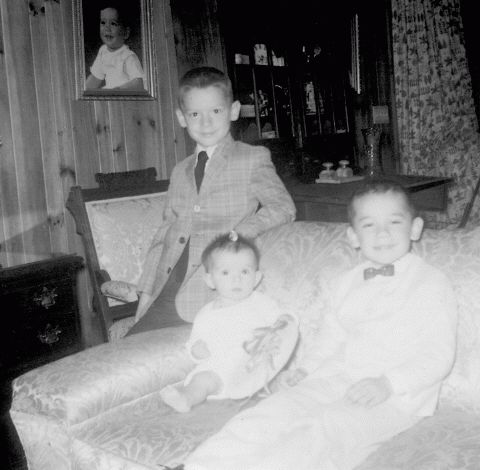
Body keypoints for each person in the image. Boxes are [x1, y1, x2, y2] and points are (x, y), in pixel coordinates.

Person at [183, 179, 458, 470]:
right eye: (369, 225)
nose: (382, 233)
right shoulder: (346, 282)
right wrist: (304, 371)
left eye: (393, 222)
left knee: (324, 430)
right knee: (271, 413)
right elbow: (330, 339)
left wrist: (389, 383)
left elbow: (439, 354)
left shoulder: (430, 282)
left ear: (414, 228)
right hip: (337, 380)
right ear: (353, 236)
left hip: (397, 398)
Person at [127, 66, 296, 335]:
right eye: (195, 114)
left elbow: (283, 208)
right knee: (126, 352)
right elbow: (164, 235)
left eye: (216, 111)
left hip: (211, 294)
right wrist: (145, 296)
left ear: (234, 110)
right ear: (182, 118)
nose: (206, 123)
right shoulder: (180, 170)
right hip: (165, 292)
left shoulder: (252, 158)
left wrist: (238, 234)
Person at [159, 231, 297, 413]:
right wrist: (197, 351)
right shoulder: (205, 314)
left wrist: (286, 321)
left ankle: (282, 386)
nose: (236, 278)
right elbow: (194, 343)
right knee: (202, 381)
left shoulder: (261, 302)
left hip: (256, 364)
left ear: (256, 278)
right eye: (225, 272)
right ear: (210, 280)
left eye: (244, 271)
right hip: (220, 369)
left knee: (281, 373)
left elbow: (282, 323)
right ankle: (186, 398)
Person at [85, 2, 145, 91]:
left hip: (124, 96)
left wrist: (117, 90)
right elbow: (95, 78)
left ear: (126, 33)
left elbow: (139, 83)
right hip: (110, 96)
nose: (107, 28)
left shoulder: (128, 56)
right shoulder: (103, 51)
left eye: (113, 23)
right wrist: (83, 89)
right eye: (103, 22)